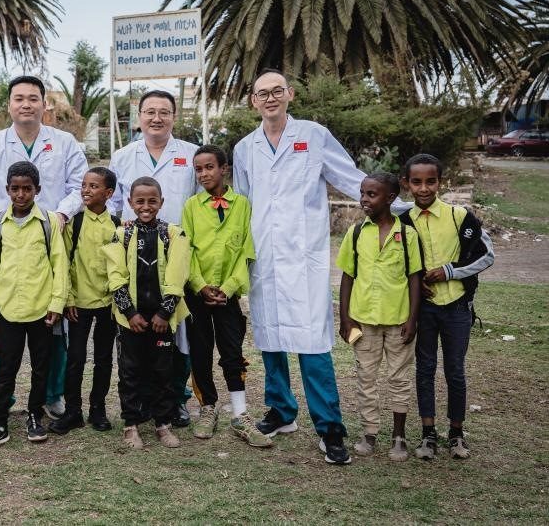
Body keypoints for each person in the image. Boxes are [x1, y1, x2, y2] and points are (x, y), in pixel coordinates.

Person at [232, 68, 389, 465]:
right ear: (253, 101)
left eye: (277, 91)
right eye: (262, 93)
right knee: (270, 336)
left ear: (291, 94)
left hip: (304, 259)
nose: (270, 98)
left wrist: (396, 208)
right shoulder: (244, 148)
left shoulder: (314, 135)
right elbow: (242, 205)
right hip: (264, 258)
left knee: (312, 341)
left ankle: (329, 426)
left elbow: (351, 178)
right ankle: (281, 411)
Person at [0, 75, 87, 421]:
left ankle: (53, 395)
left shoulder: (64, 142)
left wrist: (61, 215)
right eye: (19, 98)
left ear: (43, 104)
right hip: (3, 245)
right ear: (9, 105)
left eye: (33, 98)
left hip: (47, 244)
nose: (26, 104)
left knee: (51, 324)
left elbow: (79, 187)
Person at [107, 89, 199, 427]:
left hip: (177, 256)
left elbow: (199, 203)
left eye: (164, 112)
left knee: (177, 332)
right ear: (139, 116)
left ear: (174, 116)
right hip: (136, 259)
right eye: (150, 112)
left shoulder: (190, 154)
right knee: (138, 332)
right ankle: (143, 401)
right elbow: (114, 206)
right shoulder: (122, 156)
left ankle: (177, 399)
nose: (156, 118)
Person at [399, 153, 494, 460]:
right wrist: (415, 281)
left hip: (456, 307)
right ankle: (428, 433)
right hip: (424, 309)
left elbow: (486, 256)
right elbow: (396, 261)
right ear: (407, 184)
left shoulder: (459, 216)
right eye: (417, 182)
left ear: (441, 182)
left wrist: (449, 271)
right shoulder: (403, 220)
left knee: (455, 370)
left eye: (431, 181)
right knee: (424, 369)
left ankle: (456, 433)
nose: (424, 188)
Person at [0, 161, 68, 451]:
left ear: (38, 190)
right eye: (15, 188)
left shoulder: (49, 222)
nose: (21, 194)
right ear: (7, 189)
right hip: (9, 309)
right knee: (6, 368)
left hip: (42, 310)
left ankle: (35, 416)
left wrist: (57, 304)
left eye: (27, 189)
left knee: (41, 367)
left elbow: (59, 265)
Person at [181, 145, 272, 448]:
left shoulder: (242, 205)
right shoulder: (191, 206)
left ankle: (240, 413)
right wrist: (200, 285)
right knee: (200, 351)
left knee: (232, 351)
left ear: (224, 169)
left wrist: (228, 288)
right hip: (197, 293)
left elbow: (246, 250)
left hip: (227, 295)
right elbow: (186, 250)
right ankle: (208, 407)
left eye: (209, 167)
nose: (203, 174)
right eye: (198, 169)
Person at [336, 172, 423, 462]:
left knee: (399, 378)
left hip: (399, 321)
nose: (364, 199)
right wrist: (345, 318)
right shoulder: (356, 233)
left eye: (371, 194)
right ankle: (369, 432)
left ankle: (399, 436)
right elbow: (347, 277)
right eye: (362, 193)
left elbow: (414, 279)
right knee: (366, 378)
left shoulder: (407, 235)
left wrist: (412, 319)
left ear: (390, 198)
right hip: (363, 320)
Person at [104, 177, 191, 450]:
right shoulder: (121, 234)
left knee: (163, 371)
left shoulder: (173, 234)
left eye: (152, 201)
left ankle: (163, 423)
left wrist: (165, 313)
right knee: (129, 371)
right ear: (130, 203)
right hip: (130, 319)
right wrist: (130, 313)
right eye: (139, 201)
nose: (146, 206)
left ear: (161, 202)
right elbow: (115, 277)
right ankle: (131, 424)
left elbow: (177, 276)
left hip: (162, 319)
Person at [49, 167, 120, 435]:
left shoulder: (117, 224)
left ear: (108, 193)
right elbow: (64, 263)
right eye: (84, 185)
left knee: (103, 359)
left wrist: (118, 300)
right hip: (78, 304)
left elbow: (120, 265)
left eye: (93, 186)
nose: (86, 190)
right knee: (75, 359)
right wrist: (67, 299)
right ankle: (73, 411)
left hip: (108, 305)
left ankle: (98, 409)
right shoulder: (75, 223)